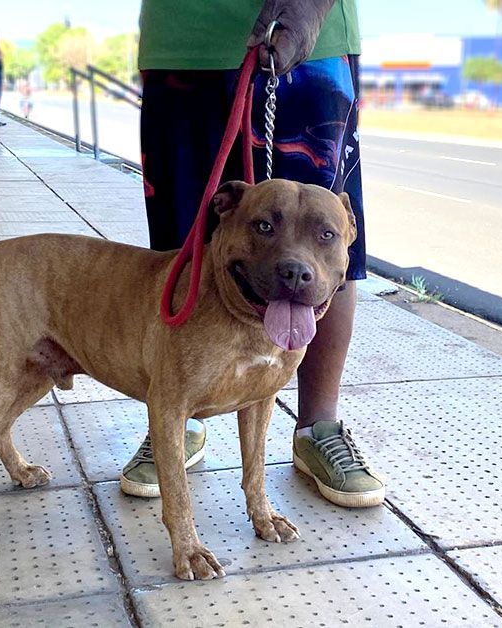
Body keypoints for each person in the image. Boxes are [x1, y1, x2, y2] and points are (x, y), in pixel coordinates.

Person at [120, 0, 385, 508]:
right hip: (183, 41)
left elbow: (331, 250)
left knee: (323, 243)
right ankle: (177, 417)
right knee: (185, 241)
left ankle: (318, 427)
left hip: (310, 34)